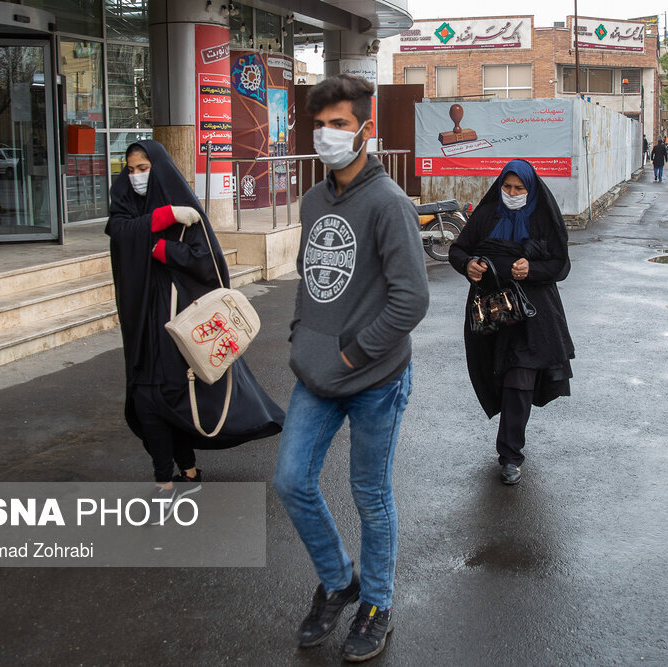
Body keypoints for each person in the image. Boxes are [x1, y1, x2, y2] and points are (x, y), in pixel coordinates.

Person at [272, 74, 429, 662]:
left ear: (367, 130)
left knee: (369, 493)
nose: (327, 135)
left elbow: (411, 299)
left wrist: (353, 352)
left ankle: (378, 605)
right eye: (320, 125)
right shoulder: (313, 201)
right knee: (291, 480)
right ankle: (341, 582)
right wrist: (300, 338)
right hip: (316, 375)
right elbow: (312, 281)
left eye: (339, 125)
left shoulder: (388, 203)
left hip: (374, 380)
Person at [106, 140, 284, 509]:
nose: (136, 176)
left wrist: (162, 249)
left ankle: (178, 478)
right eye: (131, 169)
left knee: (170, 399)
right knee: (146, 400)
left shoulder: (188, 210)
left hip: (179, 324)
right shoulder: (129, 203)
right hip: (143, 323)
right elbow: (119, 232)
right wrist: (163, 217)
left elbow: (208, 264)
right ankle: (174, 477)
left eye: (144, 169)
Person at [448, 160, 575, 486]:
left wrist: (531, 270)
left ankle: (510, 455)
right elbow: (457, 249)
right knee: (499, 377)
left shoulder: (542, 218)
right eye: (508, 187)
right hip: (491, 312)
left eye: (520, 188)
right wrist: (469, 265)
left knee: (520, 378)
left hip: (532, 316)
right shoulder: (487, 215)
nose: (513, 193)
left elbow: (560, 264)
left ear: (531, 189)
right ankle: (510, 440)